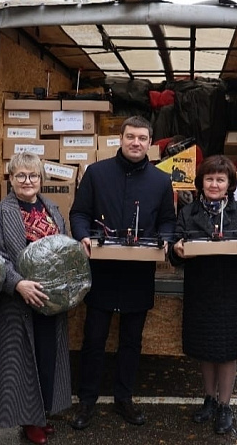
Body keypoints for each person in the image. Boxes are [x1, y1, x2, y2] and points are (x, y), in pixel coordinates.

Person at [69, 116, 176, 430]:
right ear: (121, 138)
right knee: (93, 340)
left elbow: (168, 221)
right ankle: (86, 402)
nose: (136, 143)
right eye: (131, 136)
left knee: (131, 342)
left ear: (149, 142)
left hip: (138, 275)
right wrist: (83, 235)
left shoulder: (160, 180)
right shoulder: (96, 174)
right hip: (101, 271)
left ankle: (123, 399)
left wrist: (166, 240)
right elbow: (79, 213)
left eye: (142, 138)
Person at [0, 152, 72, 445]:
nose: (27, 181)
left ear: (41, 179)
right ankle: (28, 421)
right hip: (18, 301)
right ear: (10, 178)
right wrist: (18, 284)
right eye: (20, 175)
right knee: (19, 363)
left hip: (49, 299)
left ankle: (42, 414)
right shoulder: (1, 212)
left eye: (33, 175)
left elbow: (63, 248)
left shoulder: (52, 209)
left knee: (47, 358)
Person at [168, 155, 237, 435]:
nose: (215, 184)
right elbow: (174, 251)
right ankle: (208, 399)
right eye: (209, 179)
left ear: (230, 184)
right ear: (201, 182)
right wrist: (177, 251)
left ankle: (224, 405)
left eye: (221, 179)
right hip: (200, 290)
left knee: (227, 351)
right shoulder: (187, 213)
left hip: (229, 291)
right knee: (204, 349)